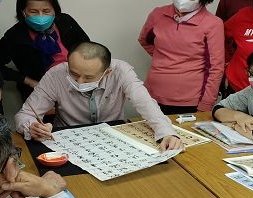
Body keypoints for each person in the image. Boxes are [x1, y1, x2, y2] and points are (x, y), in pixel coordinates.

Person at [15, 41, 183, 151]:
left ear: (107, 72)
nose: (79, 81)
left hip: (113, 138)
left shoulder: (121, 71)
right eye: (74, 74)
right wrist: (31, 126)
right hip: (69, 141)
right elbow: (24, 115)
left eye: (88, 77)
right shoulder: (56, 74)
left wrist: (166, 132)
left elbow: (145, 103)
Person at [138, 0, 224, 114]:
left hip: (190, 99)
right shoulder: (158, 14)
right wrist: (163, 58)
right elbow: (145, 40)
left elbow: (216, 68)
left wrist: (206, 104)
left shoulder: (213, 24)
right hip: (153, 94)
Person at [0, 0, 90, 101]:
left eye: (46, 11)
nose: (41, 16)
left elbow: (88, 49)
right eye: (34, 11)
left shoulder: (65, 21)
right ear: (23, 12)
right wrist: (29, 81)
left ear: (55, 10)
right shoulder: (15, 35)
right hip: (41, 91)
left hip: (77, 84)